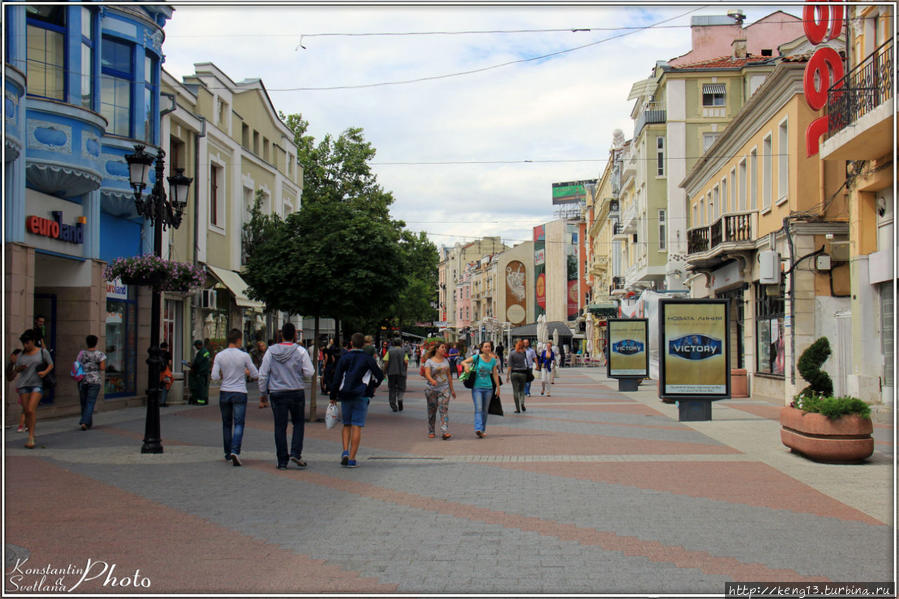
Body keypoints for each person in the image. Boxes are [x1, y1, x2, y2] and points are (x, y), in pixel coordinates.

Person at [258, 322, 315, 470]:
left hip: (277, 392)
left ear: (281, 335)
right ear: (295, 335)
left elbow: (263, 374)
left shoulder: (270, 351)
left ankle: (282, 460)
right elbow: (310, 372)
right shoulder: (301, 351)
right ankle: (296, 452)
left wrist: (263, 393)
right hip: (296, 391)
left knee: (279, 426)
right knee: (298, 423)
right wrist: (299, 372)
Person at [330, 332, 383, 468]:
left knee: (346, 424)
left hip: (345, 394)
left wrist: (333, 396)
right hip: (361, 394)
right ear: (364, 344)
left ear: (351, 343)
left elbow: (337, 377)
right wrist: (373, 386)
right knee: (357, 426)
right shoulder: (368, 359)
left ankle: (345, 451)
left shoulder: (344, 357)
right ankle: (353, 458)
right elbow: (380, 375)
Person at [211, 329, 258, 467]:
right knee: (239, 423)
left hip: (225, 391)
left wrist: (222, 375)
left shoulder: (219, 356)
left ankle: (227, 453)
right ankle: (235, 450)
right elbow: (255, 374)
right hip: (239, 391)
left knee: (226, 424)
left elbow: (214, 376)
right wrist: (246, 372)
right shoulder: (244, 356)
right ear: (238, 340)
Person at [7, 330, 53, 449]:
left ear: (33, 341)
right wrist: (17, 368)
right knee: (27, 410)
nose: (26, 346)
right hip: (23, 385)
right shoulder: (21, 355)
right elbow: (10, 375)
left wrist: (45, 372)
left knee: (31, 409)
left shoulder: (42, 352)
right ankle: (30, 431)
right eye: (24, 344)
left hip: (37, 384)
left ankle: (31, 437)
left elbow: (50, 364)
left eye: (27, 343)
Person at [461, 340, 501, 438]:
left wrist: (498, 387)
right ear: (482, 348)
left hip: (489, 388)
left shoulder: (492, 360)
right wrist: (466, 365)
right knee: (479, 408)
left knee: (485, 409)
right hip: (477, 387)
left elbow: (495, 374)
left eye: (489, 347)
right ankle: (478, 428)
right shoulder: (477, 357)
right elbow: (463, 361)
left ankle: (482, 430)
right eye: (486, 346)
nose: (488, 348)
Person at [423, 342, 455, 439]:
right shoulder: (429, 361)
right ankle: (431, 430)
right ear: (437, 349)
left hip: (444, 388)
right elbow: (427, 374)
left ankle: (444, 431)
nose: (444, 349)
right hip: (431, 389)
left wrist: (452, 389)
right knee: (432, 411)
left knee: (443, 410)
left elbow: (449, 375)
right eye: (442, 347)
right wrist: (432, 380)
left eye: (445, 348)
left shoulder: (446, 361)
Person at [76, 335, 106, 430]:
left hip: (83, 379)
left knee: (84, 402)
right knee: (90, 402)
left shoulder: (82, 353)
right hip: (95, 380)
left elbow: (77, 364)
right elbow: (102, 367)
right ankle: (85, 422)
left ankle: (88, 422)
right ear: (96, 343)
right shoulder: (100, 354)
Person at [384, 338, 408, 412]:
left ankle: (393, 405)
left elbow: (386, 362)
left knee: (392, 389)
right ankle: (400, 399)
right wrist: (405, 369)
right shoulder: (404, 351)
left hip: (391, 373)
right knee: (401, 388)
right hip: (401, 373)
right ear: (401, 344)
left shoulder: (389, 351)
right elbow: (406, 362)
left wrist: (384, 371)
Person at [506, 339, 529, 414]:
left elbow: (509, 365)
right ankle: (522, 403)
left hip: (514, 373)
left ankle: (517, 408)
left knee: (515, 391)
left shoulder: (512, 353)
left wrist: (507, 375)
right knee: (521, 390)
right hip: (523, 373)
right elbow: (525, 362)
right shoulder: (524, 352)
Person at [188, 340, 211, 405]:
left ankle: (201, 401)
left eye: (196, 346)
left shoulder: (200, 353)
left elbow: (197, 363)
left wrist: (191, 365)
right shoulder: (206, 351)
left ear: (198, 345)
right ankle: (205, 400)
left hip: (200, 373)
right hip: (206, 372)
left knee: (200, 388)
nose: (195, 347)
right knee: (205, 388)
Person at [159, 341, 173, 407]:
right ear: (166, 347)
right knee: (166, 387)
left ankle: (158, 401)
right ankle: (162, 402)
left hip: (158, 373)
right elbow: (170, 363)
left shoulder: (157, 353)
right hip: (166, 373)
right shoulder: (167, 354)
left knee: (159, 387)